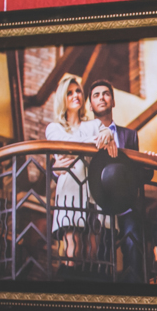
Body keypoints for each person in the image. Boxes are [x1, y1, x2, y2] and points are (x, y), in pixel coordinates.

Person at [44, 75, 116, 266]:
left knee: (92, 248)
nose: (75, 95)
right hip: (70, 191)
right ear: (62, 98)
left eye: (77, 91)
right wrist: (96, 141)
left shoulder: (92, 124)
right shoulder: (54, 128)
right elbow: (65, 145)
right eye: (69, 93)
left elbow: (107, 135)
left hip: (92, 190)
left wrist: (108, 133)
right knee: (73, 247)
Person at [87, 80, 143, 282]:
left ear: (113, 100)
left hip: (126, 206)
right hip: (98, 204)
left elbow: (140, 174)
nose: (101, 97)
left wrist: (150, 162)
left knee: (133, 245)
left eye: (106, 94)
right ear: (90, 105)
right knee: (100, 257)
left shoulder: (130, 135)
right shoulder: (87, 133)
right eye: (96, 95)